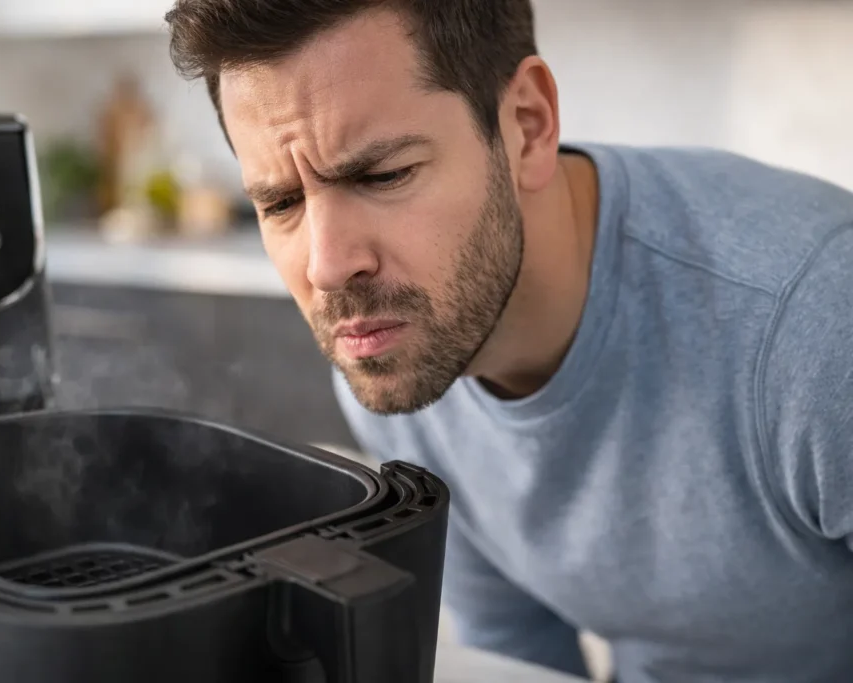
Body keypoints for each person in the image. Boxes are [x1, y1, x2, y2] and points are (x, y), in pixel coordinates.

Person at [164, 1, 853, 681]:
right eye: (281, 201)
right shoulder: (401, 349)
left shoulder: (817, 325)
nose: (327, 265)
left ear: (527, 125)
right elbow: (515, 651)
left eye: (383, 175)